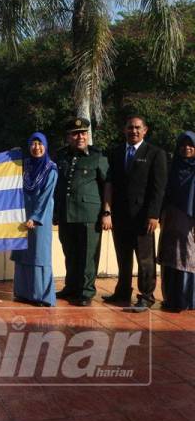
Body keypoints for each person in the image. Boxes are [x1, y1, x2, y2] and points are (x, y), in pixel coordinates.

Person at [102, 116, 168, 312]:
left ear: (145, 130)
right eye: (130, 127)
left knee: (145, 260)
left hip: (143, 218)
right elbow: (111, 184)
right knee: (123, 258)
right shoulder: (116, 152)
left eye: (138, 128)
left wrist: (154, 215)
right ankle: (122, 292)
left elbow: (159, 188)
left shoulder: (156, 153)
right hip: (121, 216)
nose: (134, 131)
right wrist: (108, 211)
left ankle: (146, 296)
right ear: (124, 130)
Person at [54, 117, 109, 306]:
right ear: (68, 137)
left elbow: (108, 186)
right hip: (67, 214)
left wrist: (107, 212)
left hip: (89, 214)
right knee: (70, 253)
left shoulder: (97, 156)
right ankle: (71, 287)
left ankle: (86, 292)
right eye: (76, 133)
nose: (80, 137)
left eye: (84, 133)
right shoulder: (61, 157)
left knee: (88, 255)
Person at [11, 132, 58, 307]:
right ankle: (24, 293)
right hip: (22, 216)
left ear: (45, 146)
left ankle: (42, 296)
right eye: (33, 144)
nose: (36, 148)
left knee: (39, 255)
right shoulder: (26, 166)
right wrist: (14, 155)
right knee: (23, 253)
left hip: (40, 218)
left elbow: (46, 197)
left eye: (40, 144)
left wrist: (35, 217)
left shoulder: (50, 168)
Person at [157, 131, 195, 312]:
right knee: (170, 257)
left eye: (191, 145)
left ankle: (187, 299)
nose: (186, 148)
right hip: (171, 220)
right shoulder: (172, 168)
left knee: (188, 257)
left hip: (190, 222)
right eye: (183, 144)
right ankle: (171, 298)